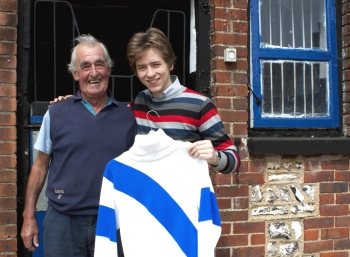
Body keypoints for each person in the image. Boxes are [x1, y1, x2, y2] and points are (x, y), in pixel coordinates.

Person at [20, 34, 137, 257]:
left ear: (108, 69)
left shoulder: (127, 117)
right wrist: (29, 217)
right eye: (85, 66)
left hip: (112, 222)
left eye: (99, 64)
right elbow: (40, 166)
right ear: (75, 74)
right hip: (63, 222)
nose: (93, 73)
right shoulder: (56, 112)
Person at [126, 27, 240, 174]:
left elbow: (234, 161)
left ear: (170, 64)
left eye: (156, 64)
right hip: (146, 194)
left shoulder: (199, 105)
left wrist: (215, 157)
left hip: (185, 194)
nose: (150, 73)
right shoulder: (137, 104)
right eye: (142, 67)